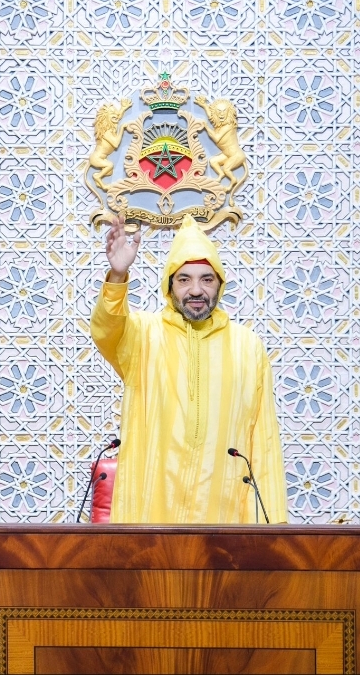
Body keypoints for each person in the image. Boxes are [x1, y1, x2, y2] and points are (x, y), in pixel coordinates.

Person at [91, 216, 288, 524]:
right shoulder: (143, 335)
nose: (196, 290)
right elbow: (106, 331)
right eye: (184, 279)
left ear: (220, 285)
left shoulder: (248, 346)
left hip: (223, 516)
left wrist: (271, 527)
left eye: (206, 279)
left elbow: (263, 441)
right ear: (170, 287)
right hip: (151, 510)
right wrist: (118, 275)